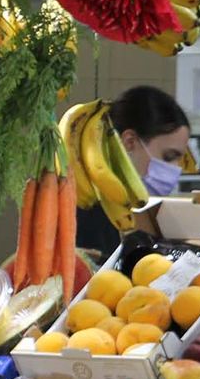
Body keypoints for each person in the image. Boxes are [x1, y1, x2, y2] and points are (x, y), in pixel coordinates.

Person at [76, 86, 192, 259]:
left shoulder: (149, 212)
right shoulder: (89, 210)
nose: (176, 170)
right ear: (130, 142)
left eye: (179, 160)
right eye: (168, 157)